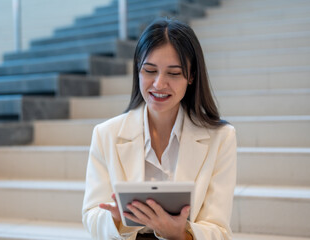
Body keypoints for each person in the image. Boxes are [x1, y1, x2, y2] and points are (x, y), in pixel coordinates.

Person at [82, 18, 237, 240]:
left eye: (173, 73)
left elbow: (219, 230)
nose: (159, 84)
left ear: (191, 76)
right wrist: (116, 220)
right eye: (150, 70)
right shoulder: (106, 134)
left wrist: (182, 234)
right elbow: (91, 216)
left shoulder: (221, 137)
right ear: (138, 70)